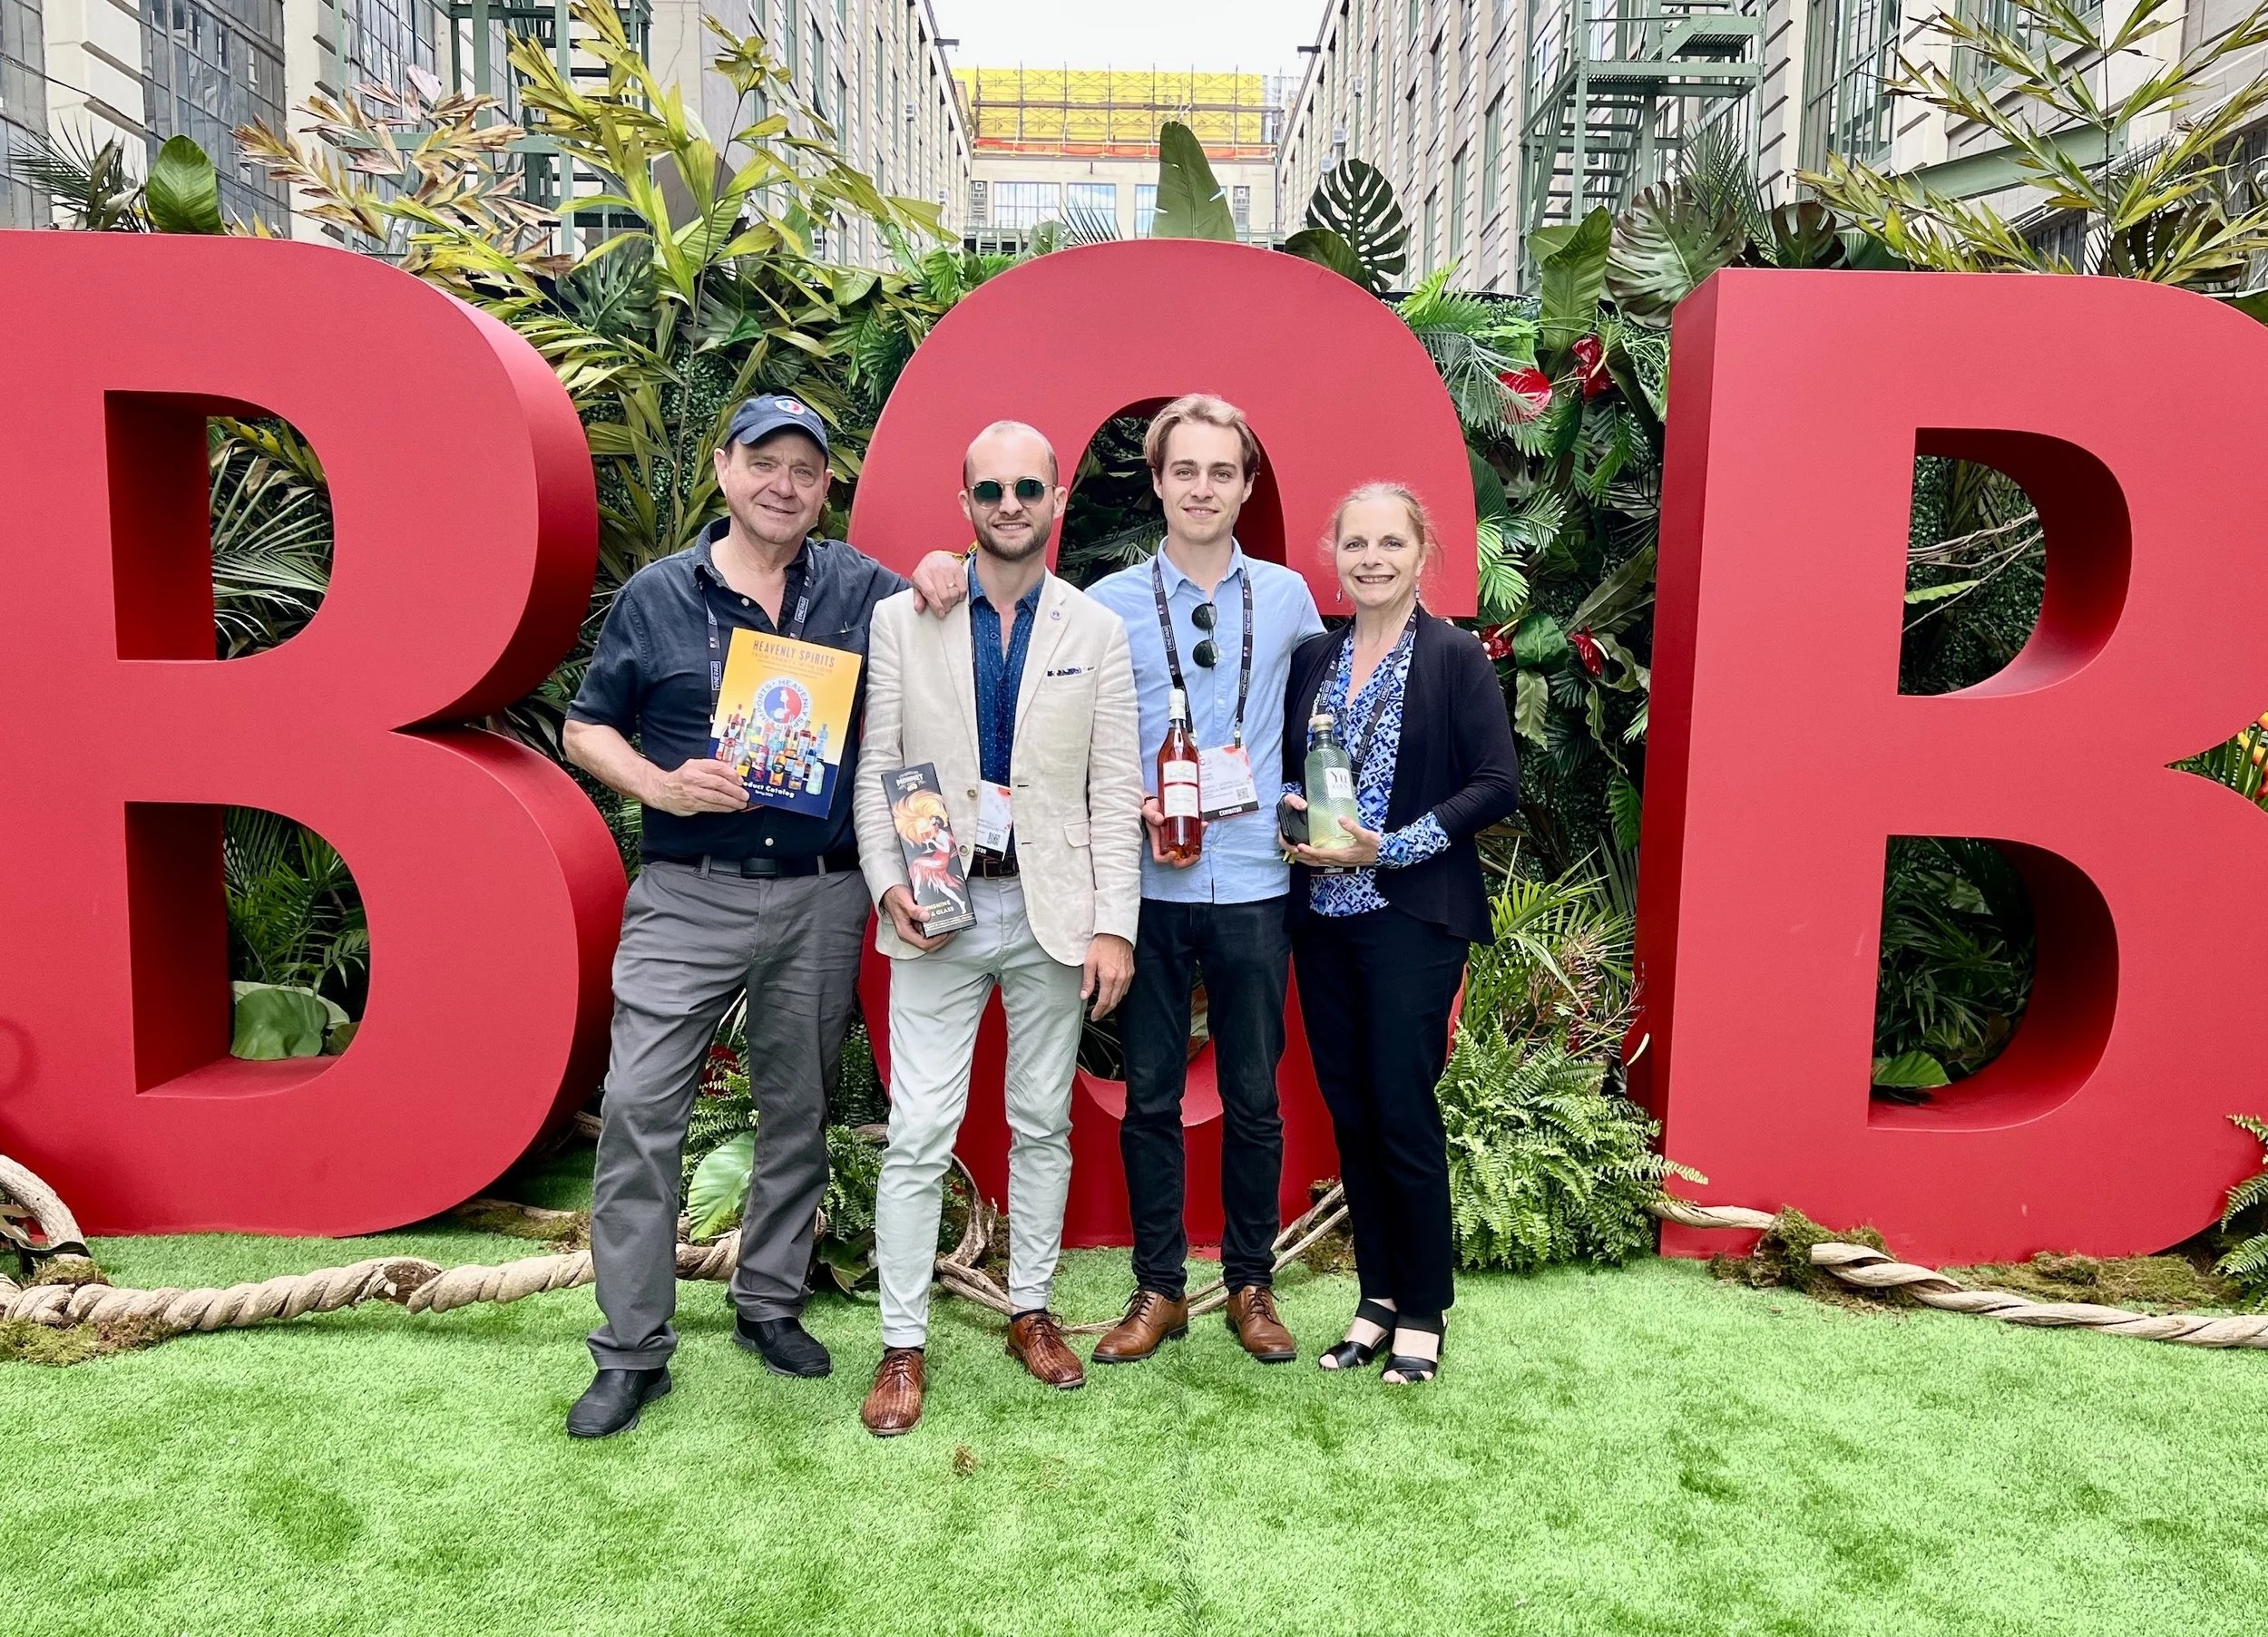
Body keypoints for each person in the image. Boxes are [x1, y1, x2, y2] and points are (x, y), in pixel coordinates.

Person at [559, 395, 965, 1439]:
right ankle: (632, 1349)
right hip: (688, 892)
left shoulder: (855, 588)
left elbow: (933, 623)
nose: (784, 483)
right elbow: (582, 727)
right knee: (640, 1109)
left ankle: (768, 1303)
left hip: (821, 895)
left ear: (824, 485)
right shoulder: (658, 595)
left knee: (797, 1111)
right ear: (723, 467)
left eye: (806, 468)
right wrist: (656, 781)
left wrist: (937, 572)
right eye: (764, 462)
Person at [853, 421, 1144, 1437]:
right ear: (965, 500)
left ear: (1058, 500)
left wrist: (1115, 923)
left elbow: (1114, 787)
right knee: (920, 1132)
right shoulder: (905, 618)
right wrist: (888, 880)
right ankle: (901, 1344)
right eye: (991, 488)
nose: (1010, 503)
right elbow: (874, 762)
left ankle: (1029, 1307)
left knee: (1041, 1123)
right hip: (937, 907)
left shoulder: (1095, 630)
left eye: (1028, 487)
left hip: (1051, 913)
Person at [1085, 395, 1325, 1365]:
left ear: (1246, 486)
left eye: (1221, 472)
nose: (1202, 488)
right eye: (1184, 470)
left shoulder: (1290, 597)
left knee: (1253, 1095)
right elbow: (1085, 742)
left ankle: (1250, 1281)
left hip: (1258, 883)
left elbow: (1324, 724)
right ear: (1157, 481)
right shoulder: (1104, 604)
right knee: (1148, 1094)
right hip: (1148, 887)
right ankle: (1157, 1288)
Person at [1279, 482, 1520, 1385]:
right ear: (1333, 553)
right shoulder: (1315, 658)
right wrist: (1290, 818)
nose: (1371, 558)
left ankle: (1423, 1309)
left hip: (1410, 917)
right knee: (1351, 1110)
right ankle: (1374, 1297)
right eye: (1355, 543)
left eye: (1389, 542)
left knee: (1402, 1108)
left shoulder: (1457, 658)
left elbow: (1496, 782)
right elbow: (1285, 771)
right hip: (1323, 921)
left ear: (1423, 554)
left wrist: (1395, 846)